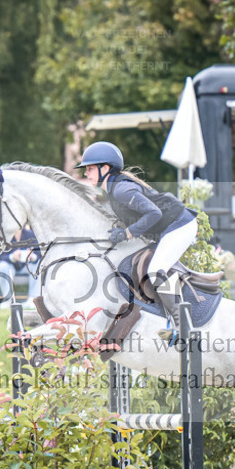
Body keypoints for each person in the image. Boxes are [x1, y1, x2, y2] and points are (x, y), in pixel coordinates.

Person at [75, 141, 196, 341]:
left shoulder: (121, 189)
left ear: (105, 168)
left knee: (155, 270)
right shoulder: (113, 190)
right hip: (167, 228)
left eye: (90, 168)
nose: (86, 173)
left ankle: (183, 327)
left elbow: (154, 213)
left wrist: (127, 233)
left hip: (180, 225)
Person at [0, 226, 40, 308]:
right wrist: (12, 257)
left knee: (39, 265)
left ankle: (33, 300)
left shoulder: (31, 234)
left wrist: (33, 256)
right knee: (2, 267)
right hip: (9, 267)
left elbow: (39, 254)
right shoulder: (4, 236)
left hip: (27, 267)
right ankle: (7, 299)